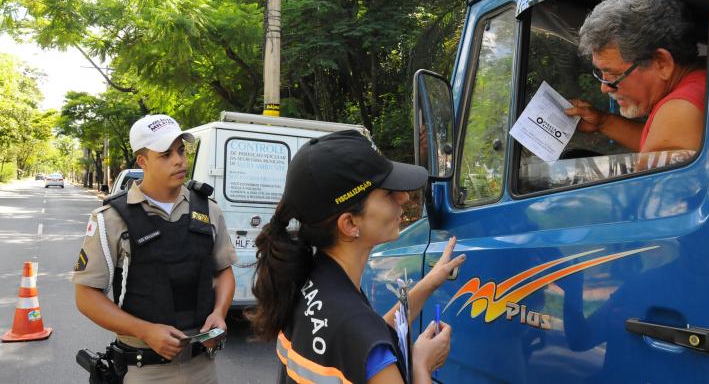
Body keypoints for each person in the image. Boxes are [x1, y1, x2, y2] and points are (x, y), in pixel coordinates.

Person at [250, 130, 466, 384]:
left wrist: (429, 282)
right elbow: (364, 338)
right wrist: (421, 366)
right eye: (388, 193)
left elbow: (367, 338)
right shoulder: (352, 321)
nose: (404, 198)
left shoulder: (309, 278)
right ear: (350, 223)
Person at [71, 114, 237, 384]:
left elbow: (223, 271)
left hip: (203, 366)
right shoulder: (110, 218)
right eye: (165, 154)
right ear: (142, 161)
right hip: (144, 371)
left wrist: (219, 313)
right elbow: (86, 296)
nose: (179, 160)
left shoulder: (208, 209)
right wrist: (145, 331)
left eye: (181, 150)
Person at [564, 0, 706, 153]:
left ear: (661, 63)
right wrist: (603, 122)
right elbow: (657, 139)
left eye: (614, 74)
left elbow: (655, 177)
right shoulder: (703, 79)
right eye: (601, 73)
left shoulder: (680, 110)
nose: (605, 88)